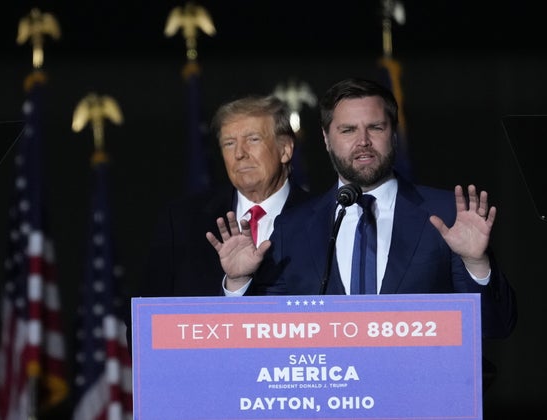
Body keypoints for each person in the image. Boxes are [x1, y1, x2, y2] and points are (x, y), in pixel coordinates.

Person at [206, 77, 517, 340]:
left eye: (375, 127)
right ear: (327, 139)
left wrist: (476, 264)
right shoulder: (294, 226)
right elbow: (259, 335)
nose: (363, 141)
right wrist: (238, 283)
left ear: (393, 133)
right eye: (348, 130)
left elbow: (495, 328)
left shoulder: (448, 214)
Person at [137, 94, 310, 297]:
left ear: (285, 149)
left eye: (253, 139)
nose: (239, 153)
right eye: (229, 143)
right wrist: (234, 287)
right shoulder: (181, 221)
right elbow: (143, 316)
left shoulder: (325, 219)